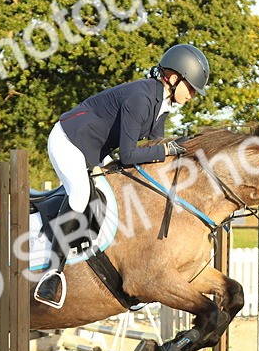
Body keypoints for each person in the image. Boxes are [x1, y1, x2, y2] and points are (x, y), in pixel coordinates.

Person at [34, 43, 210, 308]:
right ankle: (52, 273)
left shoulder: (161, 104)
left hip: (95, 148)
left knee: (119, 193)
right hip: (69, 140)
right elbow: (128, 156)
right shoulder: (141, 97)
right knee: (81, 195)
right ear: (173, 78)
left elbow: (153, 148)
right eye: (192, 88)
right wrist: (166, 149)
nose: (193, 95)